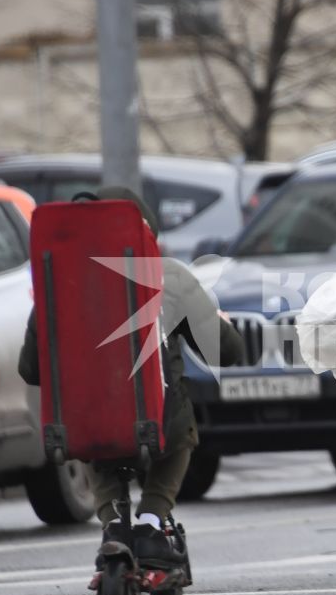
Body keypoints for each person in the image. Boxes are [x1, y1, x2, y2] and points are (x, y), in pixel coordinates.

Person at [17, 184, 245, 569]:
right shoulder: (167, 275)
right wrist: (219, 323)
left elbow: (31, 370)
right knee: (182, 432)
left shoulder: (57, 287)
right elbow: (227, 353)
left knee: (95, 440)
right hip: (157, 425)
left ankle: (111, 527)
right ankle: (153, 521)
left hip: (85, 425)